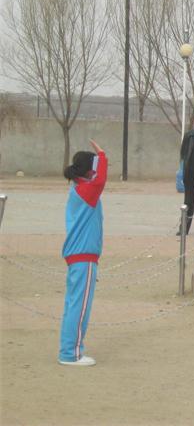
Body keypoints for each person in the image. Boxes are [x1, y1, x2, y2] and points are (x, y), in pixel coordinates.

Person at [59, 140, 107, 366]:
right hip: (83, 257)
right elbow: (101, 179)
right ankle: (71, 353)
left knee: (73, 305)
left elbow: (98, 179)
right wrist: (102, 154)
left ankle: (68, 350)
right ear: (89, 170)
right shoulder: (87, 190)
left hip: (78, 256)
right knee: (79, 307)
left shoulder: (79, 189)